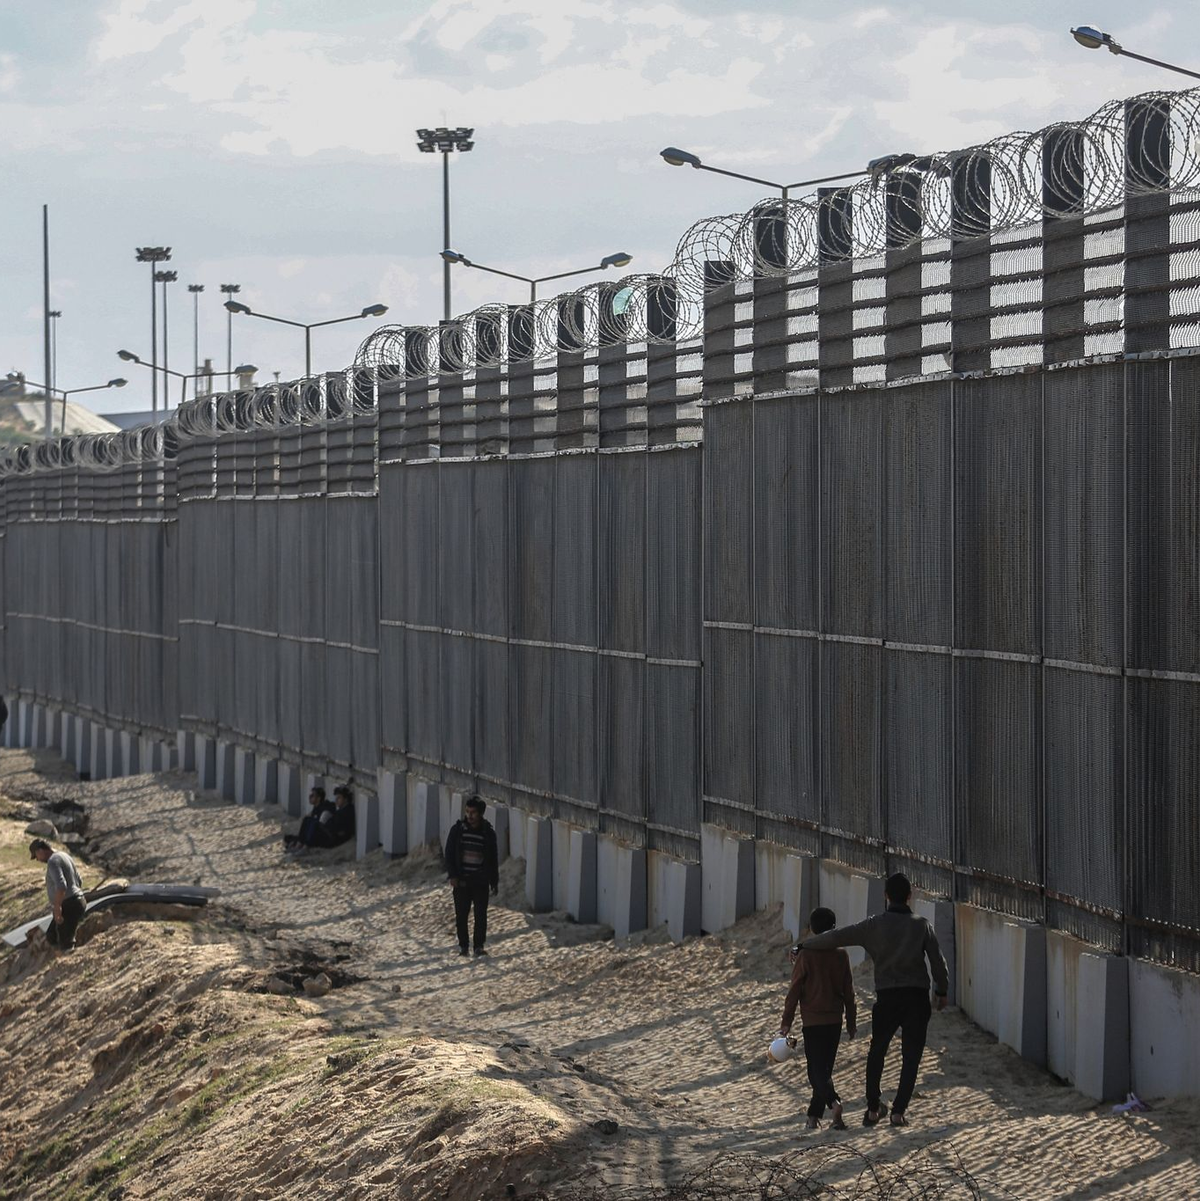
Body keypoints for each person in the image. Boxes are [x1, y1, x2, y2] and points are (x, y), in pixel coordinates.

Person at [797, 873, 948, 1128]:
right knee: (911, 1056)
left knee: (877, 1051)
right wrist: (941, 991)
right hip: (916, 996)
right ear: (910, 896)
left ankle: (873, 1108)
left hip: (887, 996)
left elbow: (837, 937)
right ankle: (898, 1112)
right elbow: (937, 962)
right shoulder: (921, 925)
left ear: (886, 896)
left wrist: (805, 945)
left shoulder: (873, 925)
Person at [779, 907, 857, 1130]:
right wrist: (851, 1021)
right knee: (824, 1071)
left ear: (812, 929)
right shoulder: (841, 954)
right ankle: (813, 1117)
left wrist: (786, 1021)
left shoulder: (806, 955)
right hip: (834, 1020)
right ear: (834, 927)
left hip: (812, 1021)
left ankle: (834, 1103)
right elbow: (849, 992)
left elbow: (795, 990)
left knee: (816, 1071)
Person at [444, 795, 499, 958]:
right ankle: (463, 946)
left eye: (473, 812)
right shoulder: (458, 830)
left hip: (480, 880)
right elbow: (449, 854)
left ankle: (478, 946)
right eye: (467, 812)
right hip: (461, 880)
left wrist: (494, 881)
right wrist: (452, 875)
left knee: (480, 915)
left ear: (481, 813)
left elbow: (493, 858)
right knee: (461, 915)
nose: (470, 816)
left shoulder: (488, 833)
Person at [30, 838, 86, 951]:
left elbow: (61, 886)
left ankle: (70, 961)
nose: (37, 860)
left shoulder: (53, 861)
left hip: (69, 904)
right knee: (52, 935)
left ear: (40, 851)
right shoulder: (65, 856)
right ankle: (60, 960)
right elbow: (79, 881)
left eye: (36, 856)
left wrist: (57, 907)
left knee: (66, 942)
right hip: (77, 901)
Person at [284, 786, 334, 852]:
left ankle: (303, 846)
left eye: (313, 795)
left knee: (310, 821)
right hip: (315, 834)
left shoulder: (324, 810)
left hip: (324, 838)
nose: (310, 797)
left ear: (319, 798)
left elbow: (320, 826)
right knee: (306, 820)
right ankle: (298, 845)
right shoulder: (316, 808)